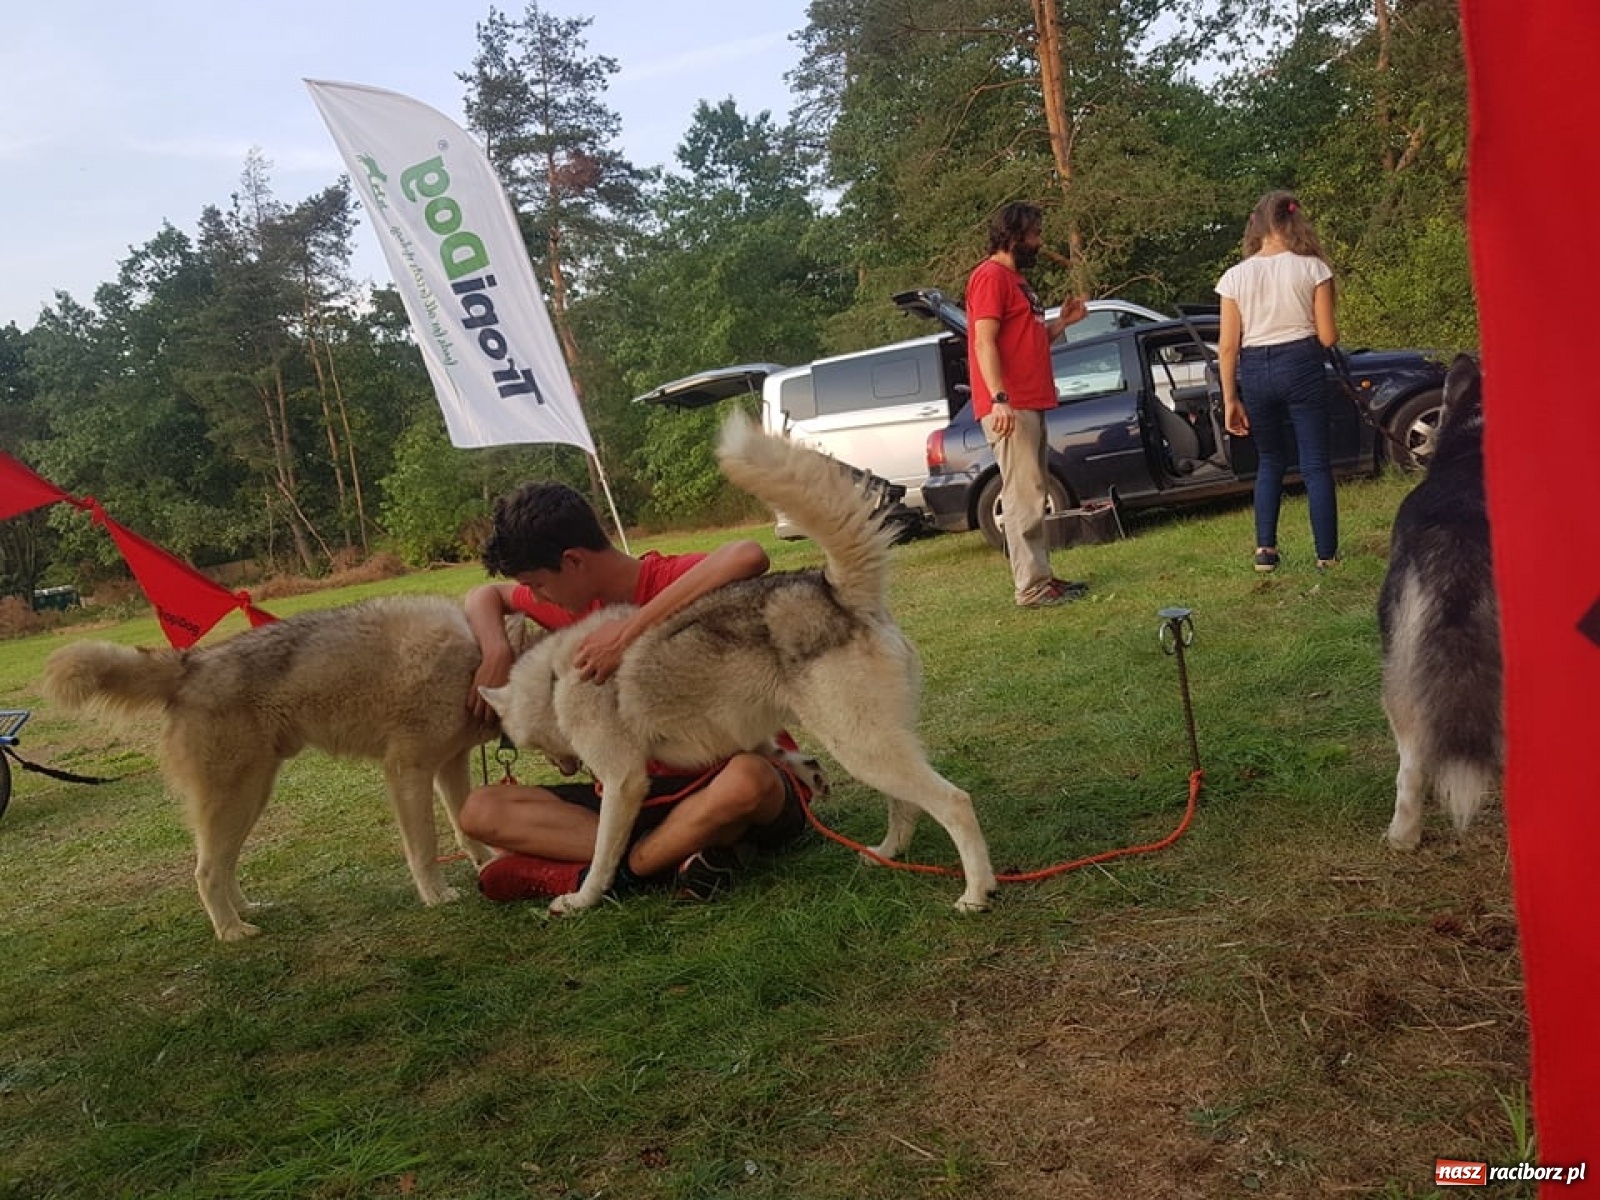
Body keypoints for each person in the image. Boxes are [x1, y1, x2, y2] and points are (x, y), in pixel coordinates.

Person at [457, 481, 815, 903]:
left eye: (537, 585)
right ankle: (685, 851)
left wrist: (629, 632)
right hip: (632, 792)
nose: (535, 597)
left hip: (729, 779)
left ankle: (620, 872)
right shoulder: (570, 603)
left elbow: (747, 555)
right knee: (480, 811)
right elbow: (487, 595)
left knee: (746, 782)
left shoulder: (668, 579)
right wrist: (496, 650)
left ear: (572, 561)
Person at [966, 201, 1091, 608]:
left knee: (1033, 492)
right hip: (1010, 405)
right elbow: (984, 341)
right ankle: (1031, 587)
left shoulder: (1017, 282)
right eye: (1034, 234)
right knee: (1023, 495)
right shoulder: (990, 277)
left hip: (1028, 401)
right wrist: (999, 399)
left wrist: (1062, 324)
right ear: (1014, 235)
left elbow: (1026, 342)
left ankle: (1043, 578)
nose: (1039, 242)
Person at [1215, 190, 1341, 572]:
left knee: (1270, 460)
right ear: (1293, 221)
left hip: (1255, 368)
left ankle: (1265, 551)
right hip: (1302, 362)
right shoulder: (1313, 268)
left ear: (1256, 225)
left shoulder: (1235, 276)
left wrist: (1231, 399)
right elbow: (1328, 337)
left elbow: (1226, 346)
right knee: (1315, 463)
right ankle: (1326, 555)